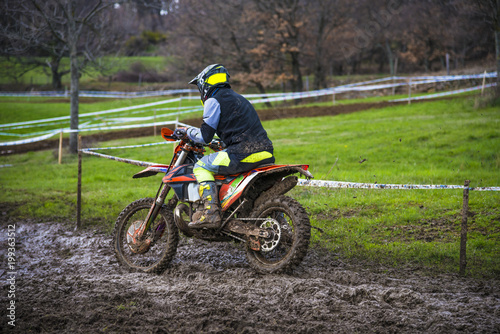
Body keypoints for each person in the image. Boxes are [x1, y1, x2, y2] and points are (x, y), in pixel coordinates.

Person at [179, 64, 275, 229]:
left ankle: (211, 214)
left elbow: (204, 136)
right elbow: (240, 129)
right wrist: (222, 143)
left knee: (201, 165)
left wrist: (187, 131)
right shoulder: (240, 99)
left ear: (204, 83)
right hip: (265, 152)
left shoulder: (213, 101)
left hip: (242, 154)